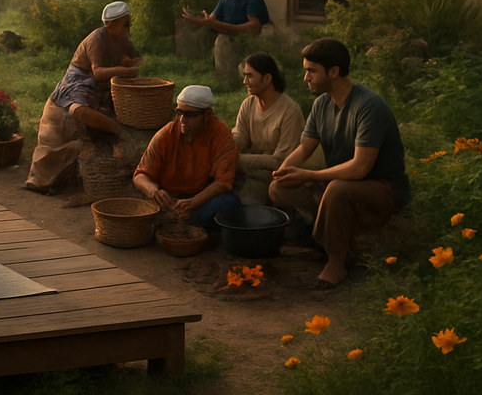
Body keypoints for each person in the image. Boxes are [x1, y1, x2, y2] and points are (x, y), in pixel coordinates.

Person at [270, 38, 409, 289]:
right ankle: (317, 237)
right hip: (339, 184)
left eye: (311, 71)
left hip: (380, 188)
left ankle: (336, 264)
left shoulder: (369, 106)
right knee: (278, 187)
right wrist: (285, 170)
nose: (305, 78)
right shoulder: (321, 104)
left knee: (337, 189)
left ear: (333, 72)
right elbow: (304, 147)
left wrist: (310, 175)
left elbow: (359, 168)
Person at [24, 1, 144, 195]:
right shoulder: (96, 39)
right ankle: (114, 128)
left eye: (129, 23)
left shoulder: (123, 39)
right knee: (79, 110)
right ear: (110, 25)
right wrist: (127, 70)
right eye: (126, 24)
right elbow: (97, 72)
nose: (129, 28)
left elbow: (140, 61)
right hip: (80, 81)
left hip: (103, 85)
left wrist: (130, 61)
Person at [133, 85, 240, 229]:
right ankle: (177, 222)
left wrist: (193, 203)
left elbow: (222, 182)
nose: (182, 120)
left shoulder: (222, 136)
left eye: (190, 114)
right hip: (169, 199)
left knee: (230, 203)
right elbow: (140, 175)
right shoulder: (166, 134)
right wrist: (154, 191)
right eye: (179, 113)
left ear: (207, 115)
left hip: (200, 199)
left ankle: (185, 222)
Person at [232, 52, 305, 201]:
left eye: (250, 76)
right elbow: (240, 137)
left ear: (267, 78)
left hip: (275, 177)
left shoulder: (289, 111)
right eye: (244, 76)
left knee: (247, 202)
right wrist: (224, 149)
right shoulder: (248, 104)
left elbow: (279, 161)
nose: (245, 81)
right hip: (249, 170)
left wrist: (236, 158)